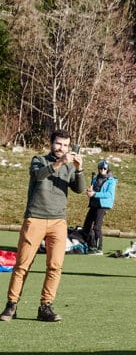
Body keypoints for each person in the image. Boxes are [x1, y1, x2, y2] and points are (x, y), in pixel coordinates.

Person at [2, 129, 84, 322]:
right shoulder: (38, 160)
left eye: (65, 145)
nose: (62, 148)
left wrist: (79, 169)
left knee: (55, 266)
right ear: (51, 144)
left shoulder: (69, 167)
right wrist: (60, 162)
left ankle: (45, 307)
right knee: (22, 265)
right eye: (58, 144)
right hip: (35, 218)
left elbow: (79, 189)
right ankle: (11, 305)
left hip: (58, 221)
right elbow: (38, 176)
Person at [81, 159, 118, 253]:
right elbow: (92, 191)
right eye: (100, 168)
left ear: (107, 169)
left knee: (97, 227)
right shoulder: (95, 179)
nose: (102, 170)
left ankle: (99, 248)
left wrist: (95, 194)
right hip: (94, 204)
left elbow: (109, 194)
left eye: (104, 168)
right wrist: (89, 192)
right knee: (87, 225)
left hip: (103, 205)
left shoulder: (111, 181)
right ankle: (90, 245)